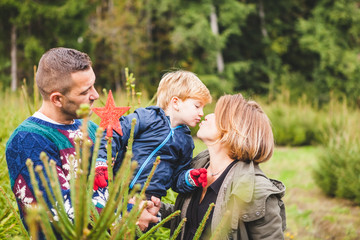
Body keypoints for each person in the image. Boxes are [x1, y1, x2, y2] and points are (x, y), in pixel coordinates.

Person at [5, 47, 159, 236]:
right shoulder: (28, 140)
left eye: (93, 85)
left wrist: (140, 204)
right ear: (57, 99)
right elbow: (58, 208)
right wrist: (127, 213)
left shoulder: (92, 131)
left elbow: (112, 184)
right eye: (85, 92)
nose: (95, 95)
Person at [157, 93, 286, 239]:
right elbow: (191, 221)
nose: (206, 116)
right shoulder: (197, 167)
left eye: (217, 115)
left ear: (234, 128)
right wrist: (154, 210)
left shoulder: (256, 191)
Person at [97, 70, 212, 200]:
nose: (201, 113)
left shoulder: (186, 141)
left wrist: (189, 178)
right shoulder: (146, 118)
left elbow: (176, 179)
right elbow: (114, 133)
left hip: (150, 199)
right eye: (197, 106)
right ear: (176, 103)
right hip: (118, 191)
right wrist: (101, 161)